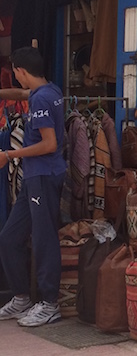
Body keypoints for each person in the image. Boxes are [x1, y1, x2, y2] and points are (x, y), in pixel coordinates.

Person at [0, 47, 66, 326]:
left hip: (43, 176)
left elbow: (50, 144)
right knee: (9, 238)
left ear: (21, 72)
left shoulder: (41, 100)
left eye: (15, 72)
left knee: (43, 238)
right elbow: (24, 95)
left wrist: (8, 155)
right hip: (34, 178)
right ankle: (22, 297)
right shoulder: (50, 91)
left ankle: (49, 303)